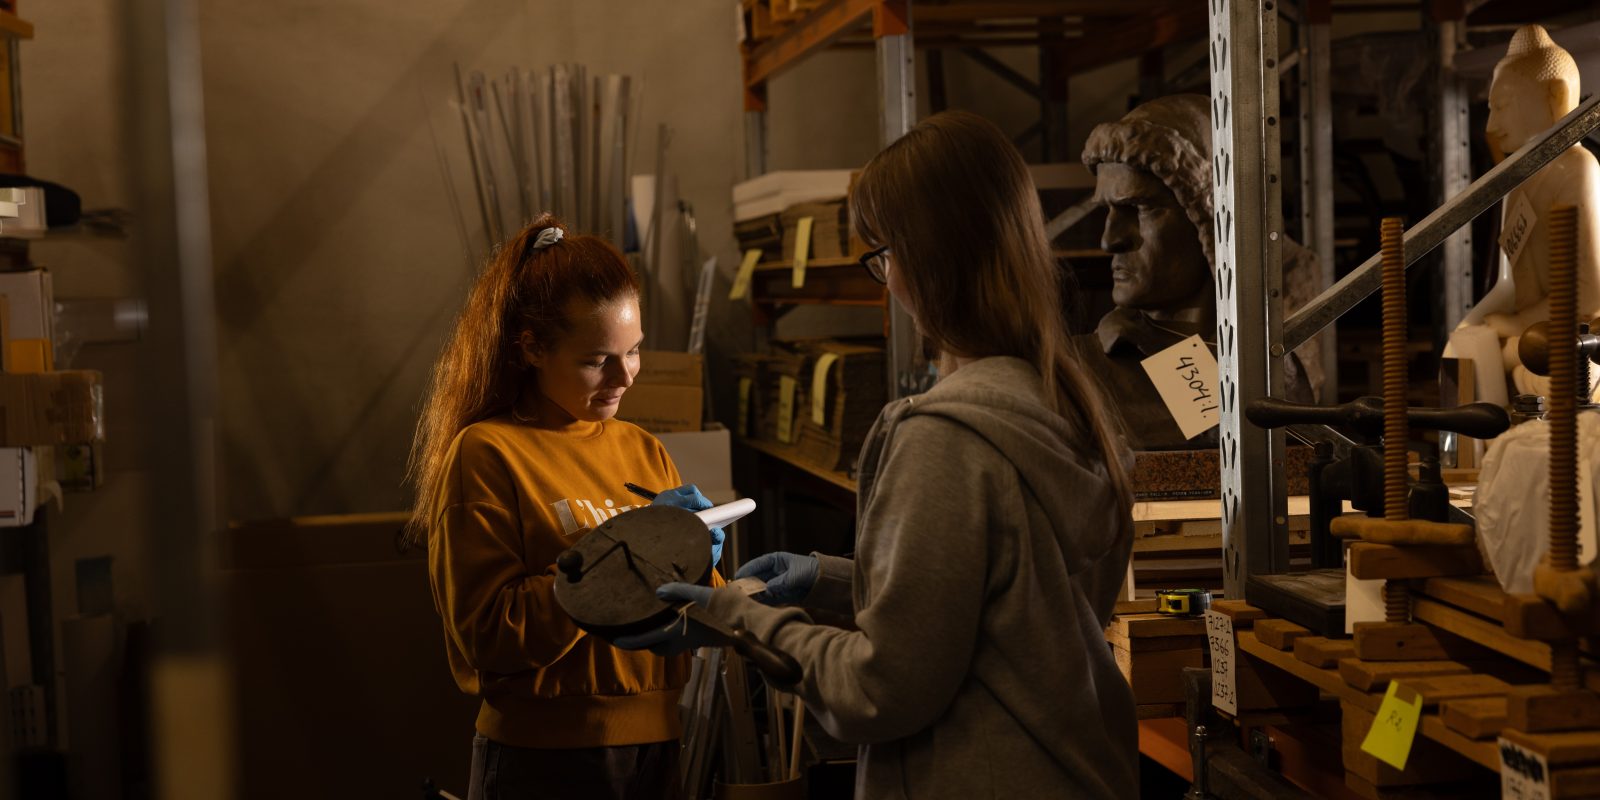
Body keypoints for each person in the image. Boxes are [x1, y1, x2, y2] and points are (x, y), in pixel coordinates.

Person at [654, 111, 1140, 798]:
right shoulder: (1065, 399)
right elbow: (1003, 605)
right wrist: (828, 579)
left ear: (920, 259)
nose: (885, 277)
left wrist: (740, 619)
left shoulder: (947, 437)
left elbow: (877, 689)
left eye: (882, 254)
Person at [405, 215, 721, 800]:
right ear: (531, 347)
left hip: (659, 748)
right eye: (597, 359)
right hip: (545, 762)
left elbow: (691, 617)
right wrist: (610, 567)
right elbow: (488, 636)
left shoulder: (641, 449)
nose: (625, 376)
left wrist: (709, 569)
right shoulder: (488, 453)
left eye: (635, 351)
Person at [1079, 94, 1323, 449]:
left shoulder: (1275, 364)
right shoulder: (1079, 370)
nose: (1109, 240)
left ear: (1209, 218)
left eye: (1139, 208)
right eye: (1109, 211)